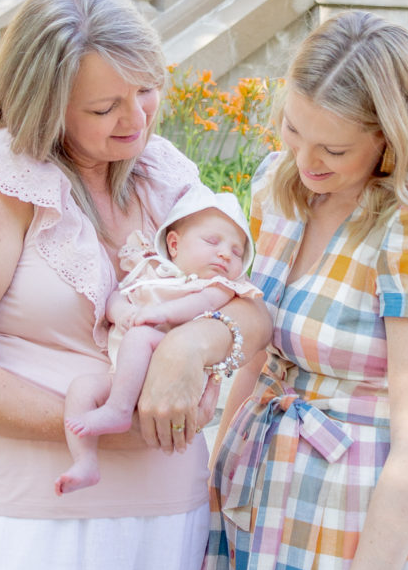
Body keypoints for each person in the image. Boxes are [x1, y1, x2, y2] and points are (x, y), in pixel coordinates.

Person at [0, 0, 270, 570]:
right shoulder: (1, 179)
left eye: (145, 91)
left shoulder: (161, 168)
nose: (137, 118)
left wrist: (195, 342)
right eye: (105, 106)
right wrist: (100, 425)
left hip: (168, 511)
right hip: (38, 517)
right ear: (47, 105)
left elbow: (252, 308)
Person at [181, 10, 408, 570]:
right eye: (295, 131)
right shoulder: (281, 185)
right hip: (261, 488)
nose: (306, 160)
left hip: (358, 516)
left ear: (389, 139)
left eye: (332, 149)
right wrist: (213, 477)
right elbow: (261, 343)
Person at [56, 185, 262, 494]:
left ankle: (119, 410)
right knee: (81, 388)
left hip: (170, 377)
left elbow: (198, 306)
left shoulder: (217, 287)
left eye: (236, 251)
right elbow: (116, 297)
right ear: (174, 244)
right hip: (125, 378)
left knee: (139, 337)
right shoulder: (149, 270)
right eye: (212, 241)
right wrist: (122, 312)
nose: (224, 253)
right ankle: (84, 461)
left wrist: (162, 313)